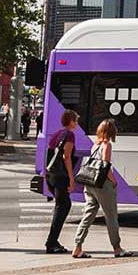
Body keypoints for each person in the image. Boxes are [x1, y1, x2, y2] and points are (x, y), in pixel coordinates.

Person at [72, 118, 133, 259]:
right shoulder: (107, 145)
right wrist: (114, 181)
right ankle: (117, 248)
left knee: (88, 215)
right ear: (111, 131)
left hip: (89, 184)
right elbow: (105, 166)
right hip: (102, 184)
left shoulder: (95, 145)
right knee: (111, 216)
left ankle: (77, 246)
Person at [43, 109, 80, 254]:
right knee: (61, 207)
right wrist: (72, 179)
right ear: (70, 121)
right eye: (76, 120)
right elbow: (67, 157)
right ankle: (51, 243)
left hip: (51, 176)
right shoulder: (69, 135)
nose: (77, 123)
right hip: (60, 177)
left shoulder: (57, 134)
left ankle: (53, 240)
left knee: (64, 205)